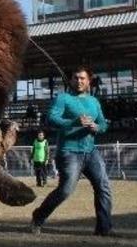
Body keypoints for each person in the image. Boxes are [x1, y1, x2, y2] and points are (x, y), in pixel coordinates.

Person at [31, 66, 113, 236]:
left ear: (89, 81)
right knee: (65, 190)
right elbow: (51, 118)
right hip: (69, 151)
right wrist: (74, 122)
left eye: (82, 78)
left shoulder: (94, 101)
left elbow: (104, 124)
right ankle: (38, 216)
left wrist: (97, 127)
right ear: (70, 80)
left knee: (103, 187)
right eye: (75, 77)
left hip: (91, 151)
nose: (79, 81)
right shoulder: (63, 98)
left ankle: (103, 229)